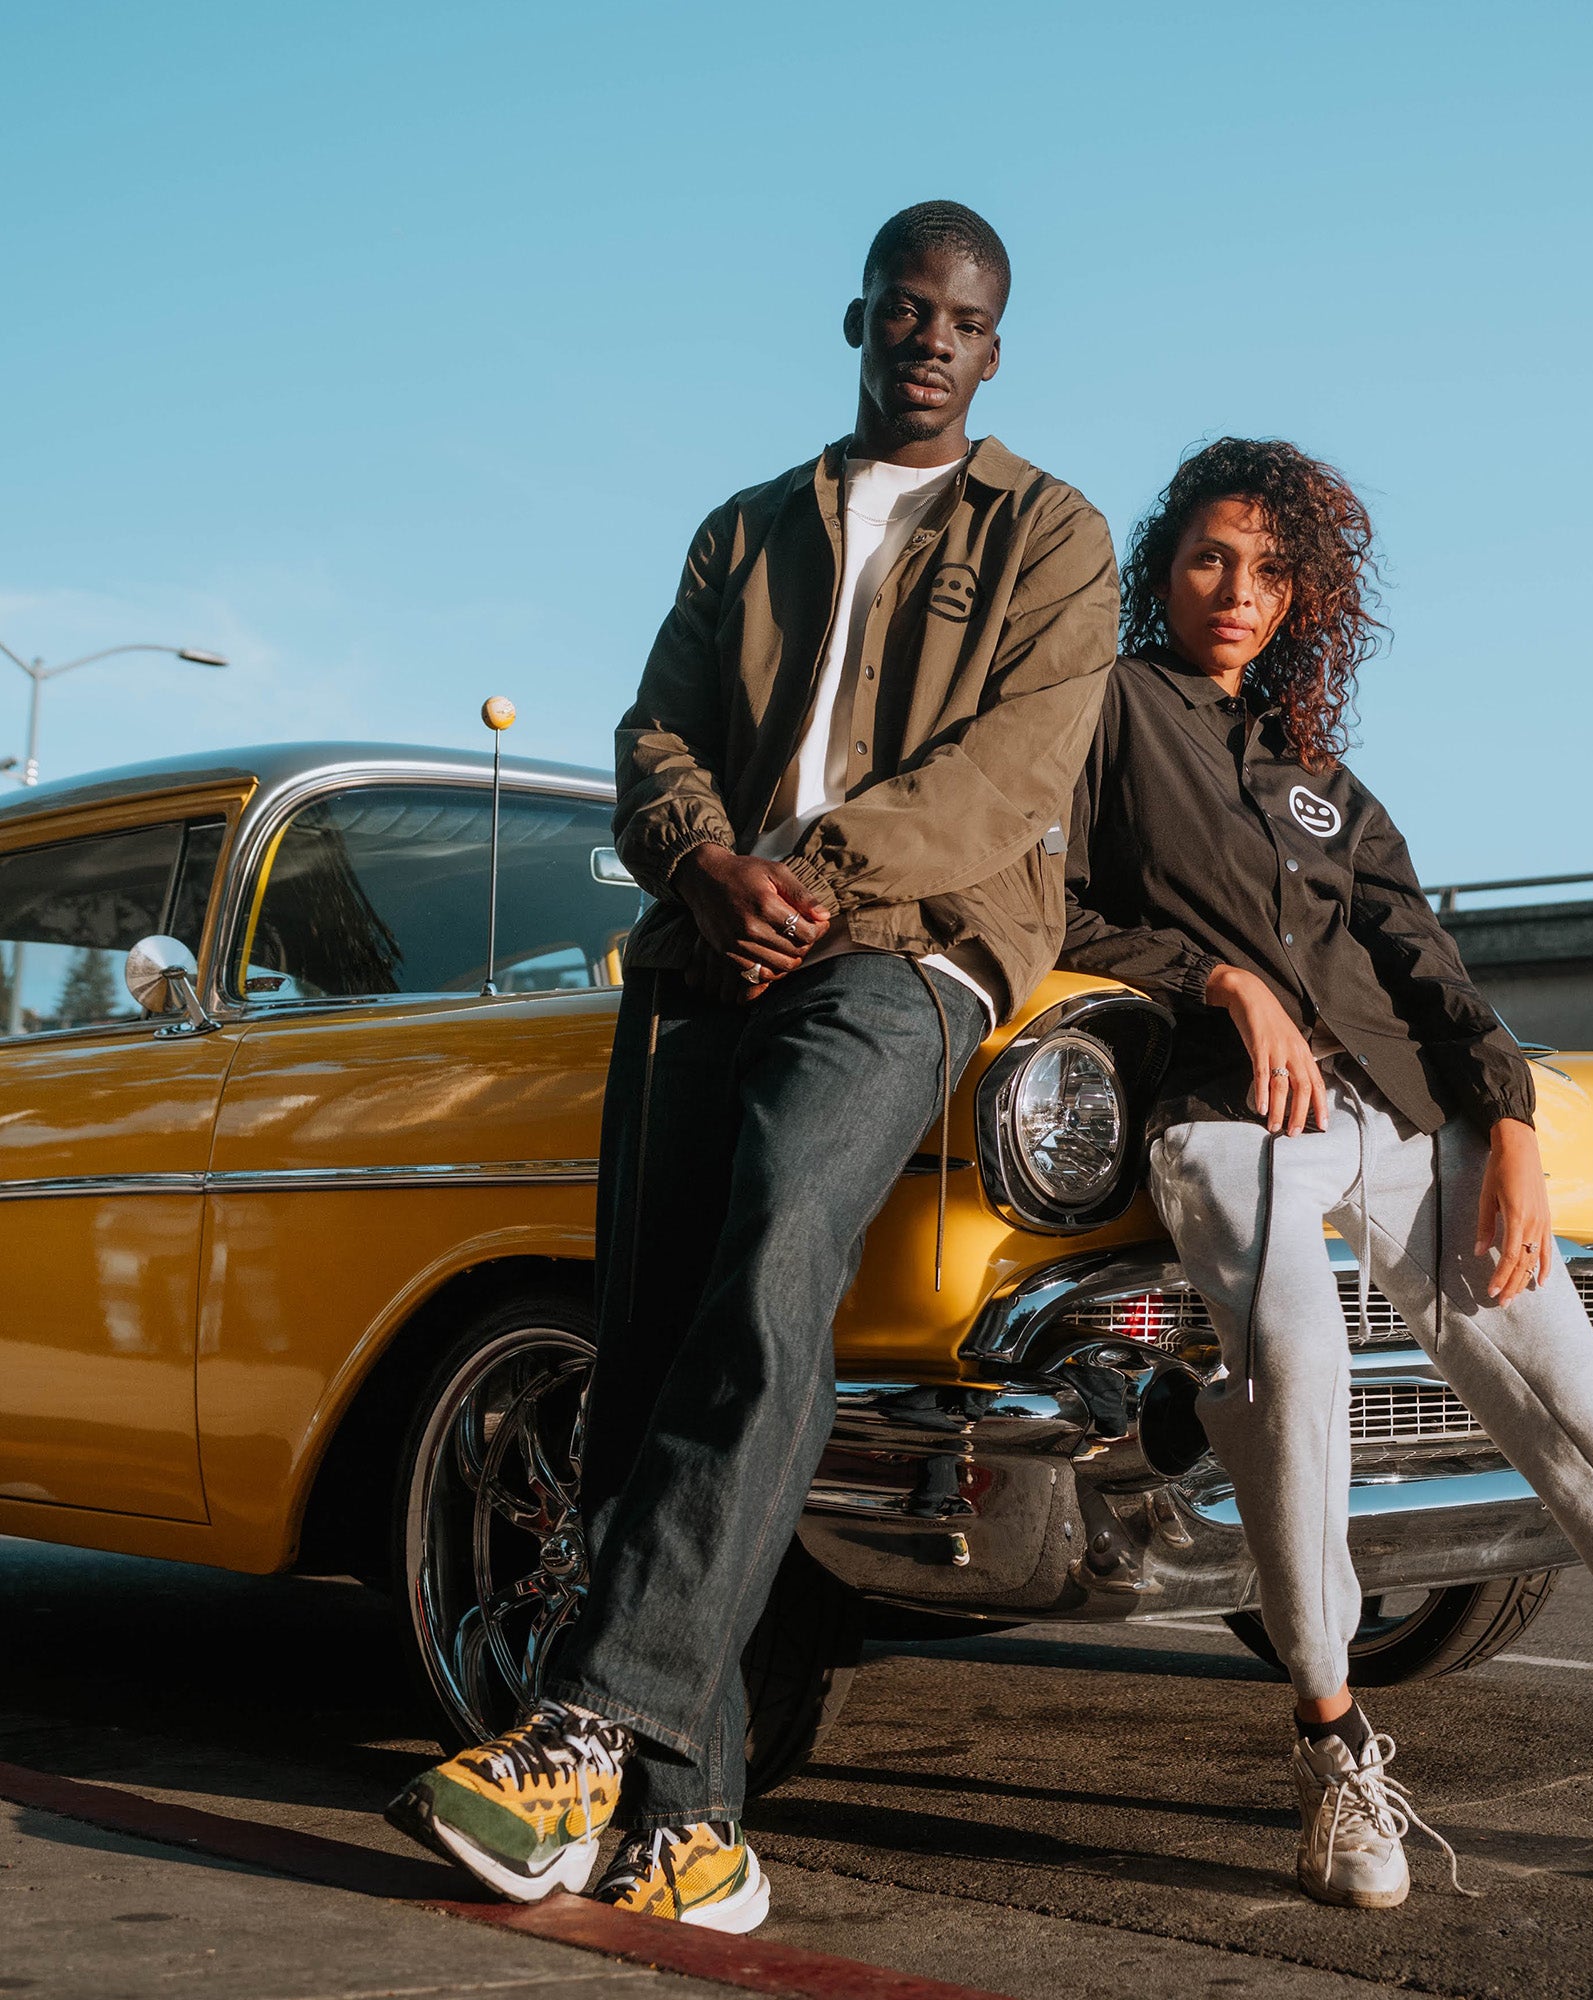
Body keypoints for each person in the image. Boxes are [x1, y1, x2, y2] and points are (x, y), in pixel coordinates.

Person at [389, 201, 1118, 1930]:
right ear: (857, 320)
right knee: (651, 1345)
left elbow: (1010, 773)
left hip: (910, 956)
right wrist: (707, 867)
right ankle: (690, 1828)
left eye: (962, 319)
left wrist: (814, 876)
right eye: (903, 310)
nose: (928, 339)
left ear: (994, 348)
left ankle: (582, 1718)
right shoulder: (745, 531)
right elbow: (655, 734)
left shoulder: (1053, 535)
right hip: (707, 951)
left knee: (779, 1257)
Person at [1060, 437, 1593, 1910]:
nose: (1234, 593)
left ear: (1305, 595)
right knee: (1298, 1366)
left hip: (1402, 1123)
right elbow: (1041, 902)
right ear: (1159, 569)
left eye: (1267, 570)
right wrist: (1220, 983)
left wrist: (1505, 1127)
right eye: (1206, 559)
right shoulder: (1107, 712)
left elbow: (1425, 961)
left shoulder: (1322, 779)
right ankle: (1333, 1748)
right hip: (1229, 1119)